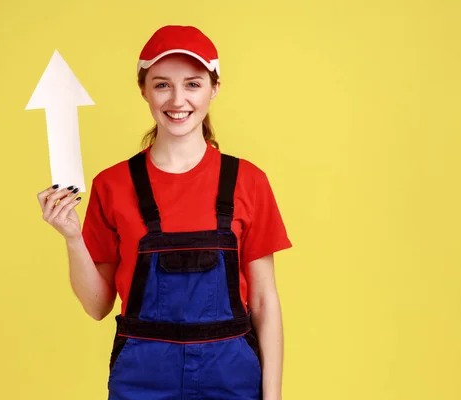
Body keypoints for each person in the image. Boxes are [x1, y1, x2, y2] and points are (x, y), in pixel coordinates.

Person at [37, 25, 292, 400]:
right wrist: (72, 238)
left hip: (232, 380)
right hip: (142, 381)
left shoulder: (247, 181)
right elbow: (97, 306)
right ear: (143, 90)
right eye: (161, 85)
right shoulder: (113, 184)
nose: (177, 100)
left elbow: (265, 302)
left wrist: (272, 397)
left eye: (192, 84)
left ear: (214, 88)